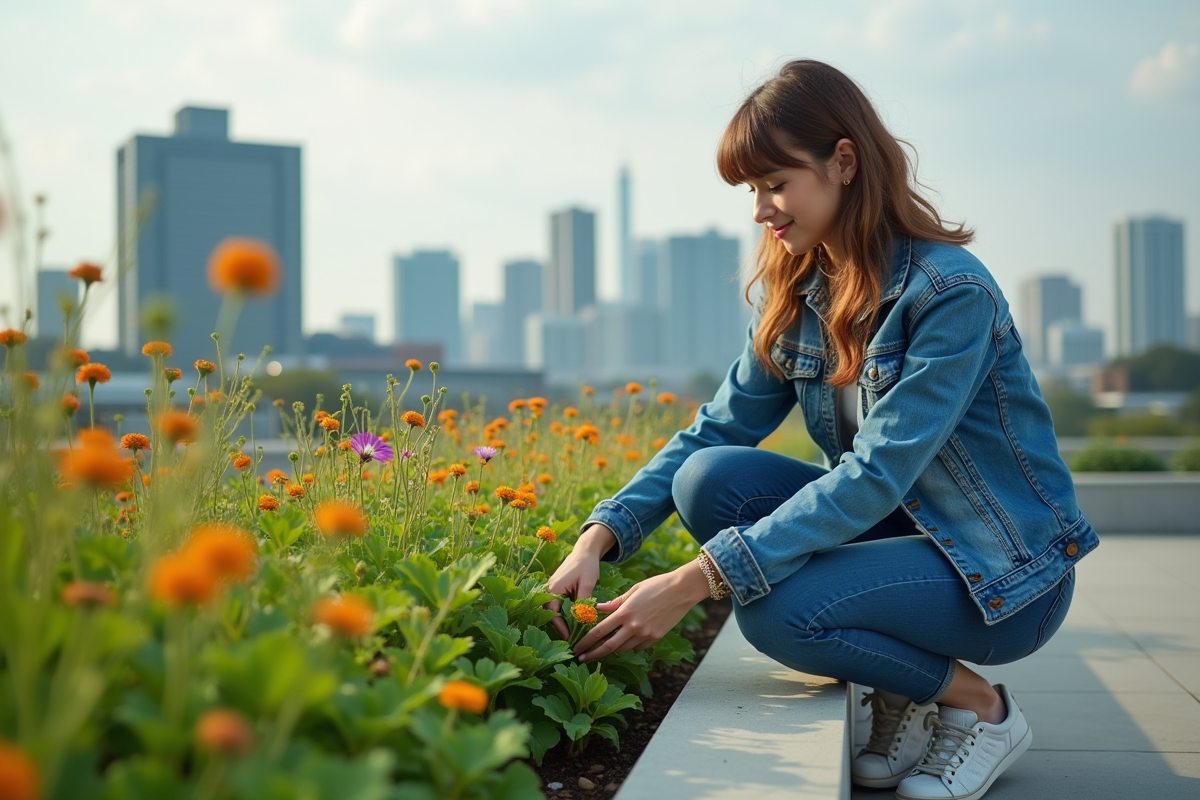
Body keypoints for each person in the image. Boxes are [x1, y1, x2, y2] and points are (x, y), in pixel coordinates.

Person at [545, 59, 1096, 800]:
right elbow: (716, 430)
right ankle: (900, 686)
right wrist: (600, 536)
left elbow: (875, 476)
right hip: (904, 541)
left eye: (776, 183)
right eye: (752, 190)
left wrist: (689, 582)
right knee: (708, 479)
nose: (761, 211)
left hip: (1001, 577)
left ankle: (982, 708)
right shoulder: (797, 290)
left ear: (843, 162)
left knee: (777, 614)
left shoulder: (949, 293)